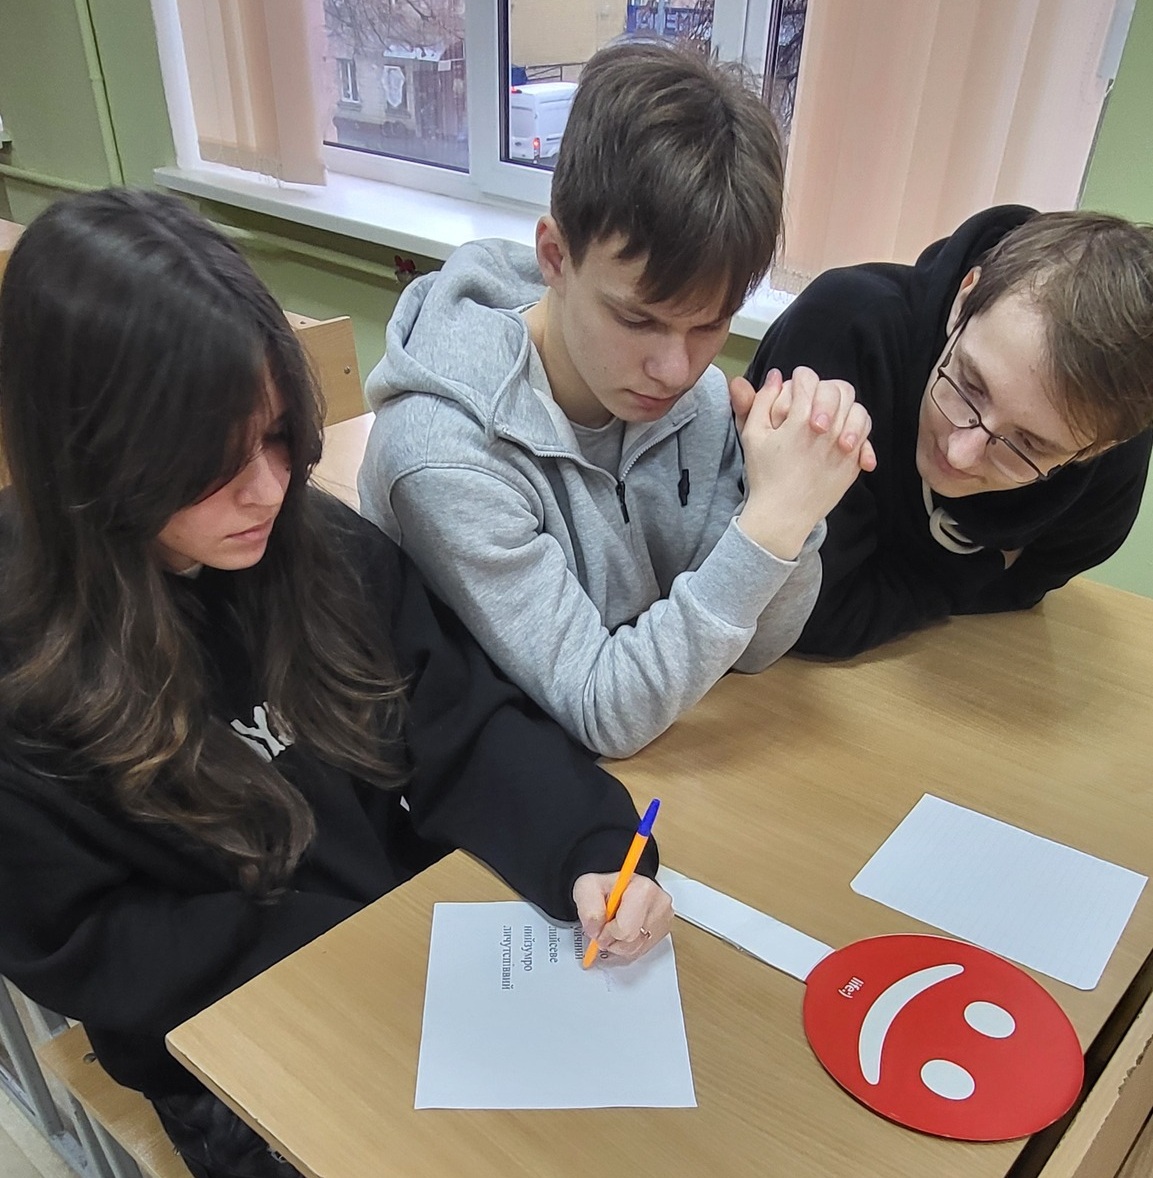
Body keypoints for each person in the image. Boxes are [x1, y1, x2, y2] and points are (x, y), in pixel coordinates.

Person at [0, 188, 671, 1178]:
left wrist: (590, 849)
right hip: (227, 1037)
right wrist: (348, 946)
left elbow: (460, 722)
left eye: (278, 436)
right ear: (92, 458)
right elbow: (87, 941)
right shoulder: (28, 672)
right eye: (209, 466)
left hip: (399, 957)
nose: (269, 489)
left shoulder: (317, 552)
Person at [357, 39, 874, 760]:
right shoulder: (444, 454)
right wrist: (769, 523)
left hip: (633, 772)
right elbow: (603, 709)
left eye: (710, 324)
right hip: (470, 780)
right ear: (555, 256)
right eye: (637, 319)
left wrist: (791, 502)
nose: (676, 368)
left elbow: (759, 647)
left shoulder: (695, 399)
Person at [744, 205, 1153, 658]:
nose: (960, 454)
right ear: (964, 299)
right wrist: (982, 564)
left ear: (1096, 448)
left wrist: (913, 582)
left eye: (1028, 443)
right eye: (970, 385)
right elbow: (802, 614)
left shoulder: (1113, 453)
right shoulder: (843, 325)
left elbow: (1029, 585)